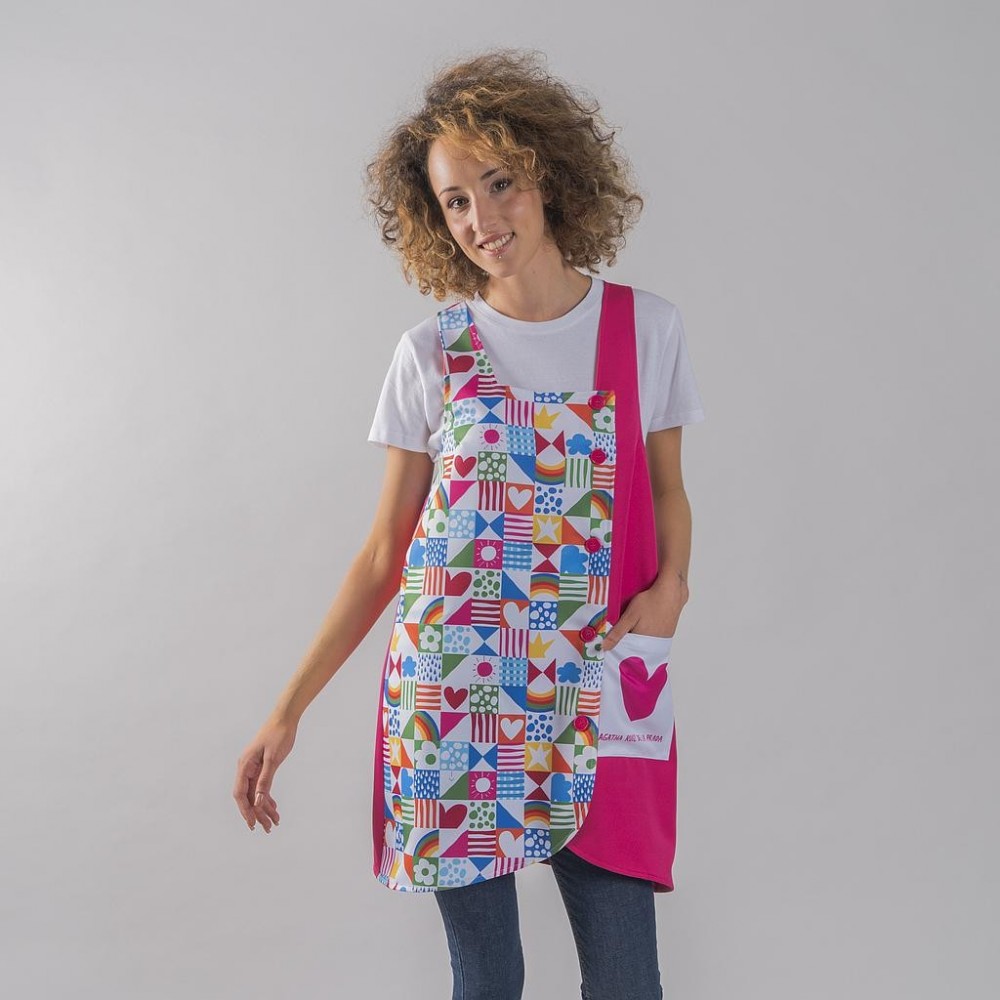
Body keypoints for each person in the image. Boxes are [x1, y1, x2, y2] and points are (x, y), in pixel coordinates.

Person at [233, 48, 706, 1000]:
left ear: (549, 175)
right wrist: (287, 710)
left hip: (595, 682)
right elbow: (385, 553)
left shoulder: (643, 329)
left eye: (499, 184)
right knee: (486, 980)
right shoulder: (431, 354)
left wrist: (672, 590)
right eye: (455, 201)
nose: (482, 219)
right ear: (434, 218)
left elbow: (667, 491)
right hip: (454, 700)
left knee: (626, 978)